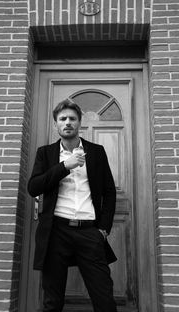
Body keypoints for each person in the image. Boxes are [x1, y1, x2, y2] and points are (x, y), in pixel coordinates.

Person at [28, 99, 117, 312]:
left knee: (104, 297)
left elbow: (109, 192)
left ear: (79, 123)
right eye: (62, 119)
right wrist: (64, 166)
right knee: (52, 301)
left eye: (72, 118)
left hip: (89, 232)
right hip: (55, 232)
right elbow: (34, 187)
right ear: (56, 124)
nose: (67, 122)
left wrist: (103, 229)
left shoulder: (96, 152)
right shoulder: (45, 153)